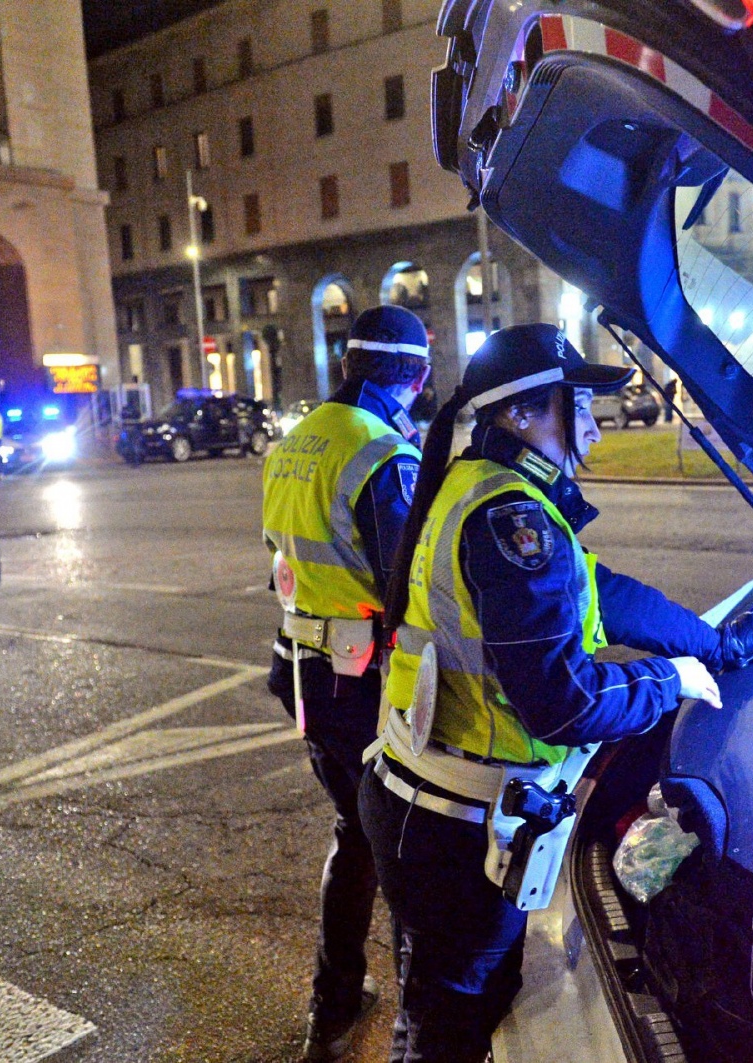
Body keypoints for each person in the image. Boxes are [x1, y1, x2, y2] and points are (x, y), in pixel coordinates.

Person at [360, 324, 753, 1062]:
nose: (594, 430)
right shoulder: (512, 517)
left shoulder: (477, 486)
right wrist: (671, 681)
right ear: (522, 414)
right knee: (455, 1021)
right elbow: (564, 705)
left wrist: (716, 645)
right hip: (454, 828)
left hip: (419, 804)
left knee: (441, 1000)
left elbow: (608, 596)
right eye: (580, 408)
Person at [262, 305, 431, 1062]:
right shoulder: (381, 452)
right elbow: (411, 582)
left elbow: (279, 552)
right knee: (402, 850)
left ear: (348, 365)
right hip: (363, 684)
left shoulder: (295, 443)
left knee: (354, 838)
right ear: (415, 377)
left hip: (303, 669)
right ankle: (414, 1033)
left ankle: (332, 1010)